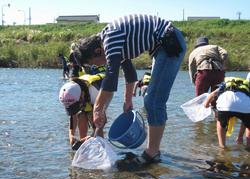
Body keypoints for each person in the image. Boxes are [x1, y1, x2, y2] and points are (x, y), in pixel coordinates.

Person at [70, 14, 186, 168]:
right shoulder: (111, 41)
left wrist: (97, 108)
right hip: (162, 45)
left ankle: (152, 154)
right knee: (153, 100)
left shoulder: (109, 40)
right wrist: (128, 101)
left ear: (98, 51)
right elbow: (130, 73)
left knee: (154, 100)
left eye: (93, 64)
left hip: (169, 43)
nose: (97, 68)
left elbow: (111, 77)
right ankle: (153, 151)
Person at [59, 73, 106, 150]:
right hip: (86, 95)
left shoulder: (94, 93)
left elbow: (101, 123)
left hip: (102, 91)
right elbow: (73, 115)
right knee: (81, 115)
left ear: (82, 95)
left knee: (94, 120)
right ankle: (83, 147)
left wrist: (91, 137)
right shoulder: (69, 90)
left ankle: (101, 149)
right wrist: (71, 135)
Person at [204, 77, 250, 149]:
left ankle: (222, 146)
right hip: (245, 106)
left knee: (221, 124)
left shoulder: (225, 85)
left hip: (225, 105)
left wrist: (206, 105)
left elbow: (213, 94)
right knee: (248, 123)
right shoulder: (246, 86)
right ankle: (247, 144)